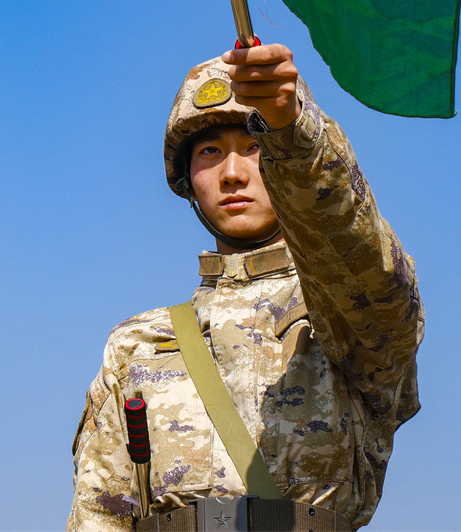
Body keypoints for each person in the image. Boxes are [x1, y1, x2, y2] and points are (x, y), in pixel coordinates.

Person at [68, 44, 423, 531]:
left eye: (254, 147)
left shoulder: (339, 314)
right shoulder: (138, 345)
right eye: (210, 152)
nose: (232, 174)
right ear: (188, 179)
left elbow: (360, 260)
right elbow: (99, 516)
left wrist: (292, 133)